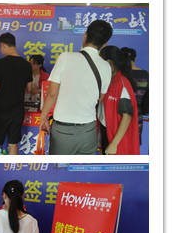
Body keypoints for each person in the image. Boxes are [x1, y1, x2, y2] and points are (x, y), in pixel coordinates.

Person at [39, 20, 113, 155]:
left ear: (85, 35)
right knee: (82, 166)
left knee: (60, 166)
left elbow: (52, 94)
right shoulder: (106, 66)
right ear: (105, 44)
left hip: (63, 131)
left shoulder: (65, 58)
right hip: (89, 131)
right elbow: (101, 98)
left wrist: (43, 117)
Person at [0, 33, 33, 156]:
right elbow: (29, 89)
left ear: (3, 45)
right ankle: (12, 165)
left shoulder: (0, 63)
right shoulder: (26, 64)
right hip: (18, 110)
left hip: (1, 110)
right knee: (13, 143)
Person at [99, 46, 140, 155]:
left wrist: (114, 144)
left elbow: (127, 116)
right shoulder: (109, 80)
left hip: (116, 137)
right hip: (106, 131)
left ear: (110, 64)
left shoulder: (122, 84)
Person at [121, 46, 149, 138]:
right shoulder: (145, 74)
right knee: (134, 143)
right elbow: (147, 100)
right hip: (137, 117)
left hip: (119, 118)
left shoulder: (119, 75)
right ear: (134, 58)